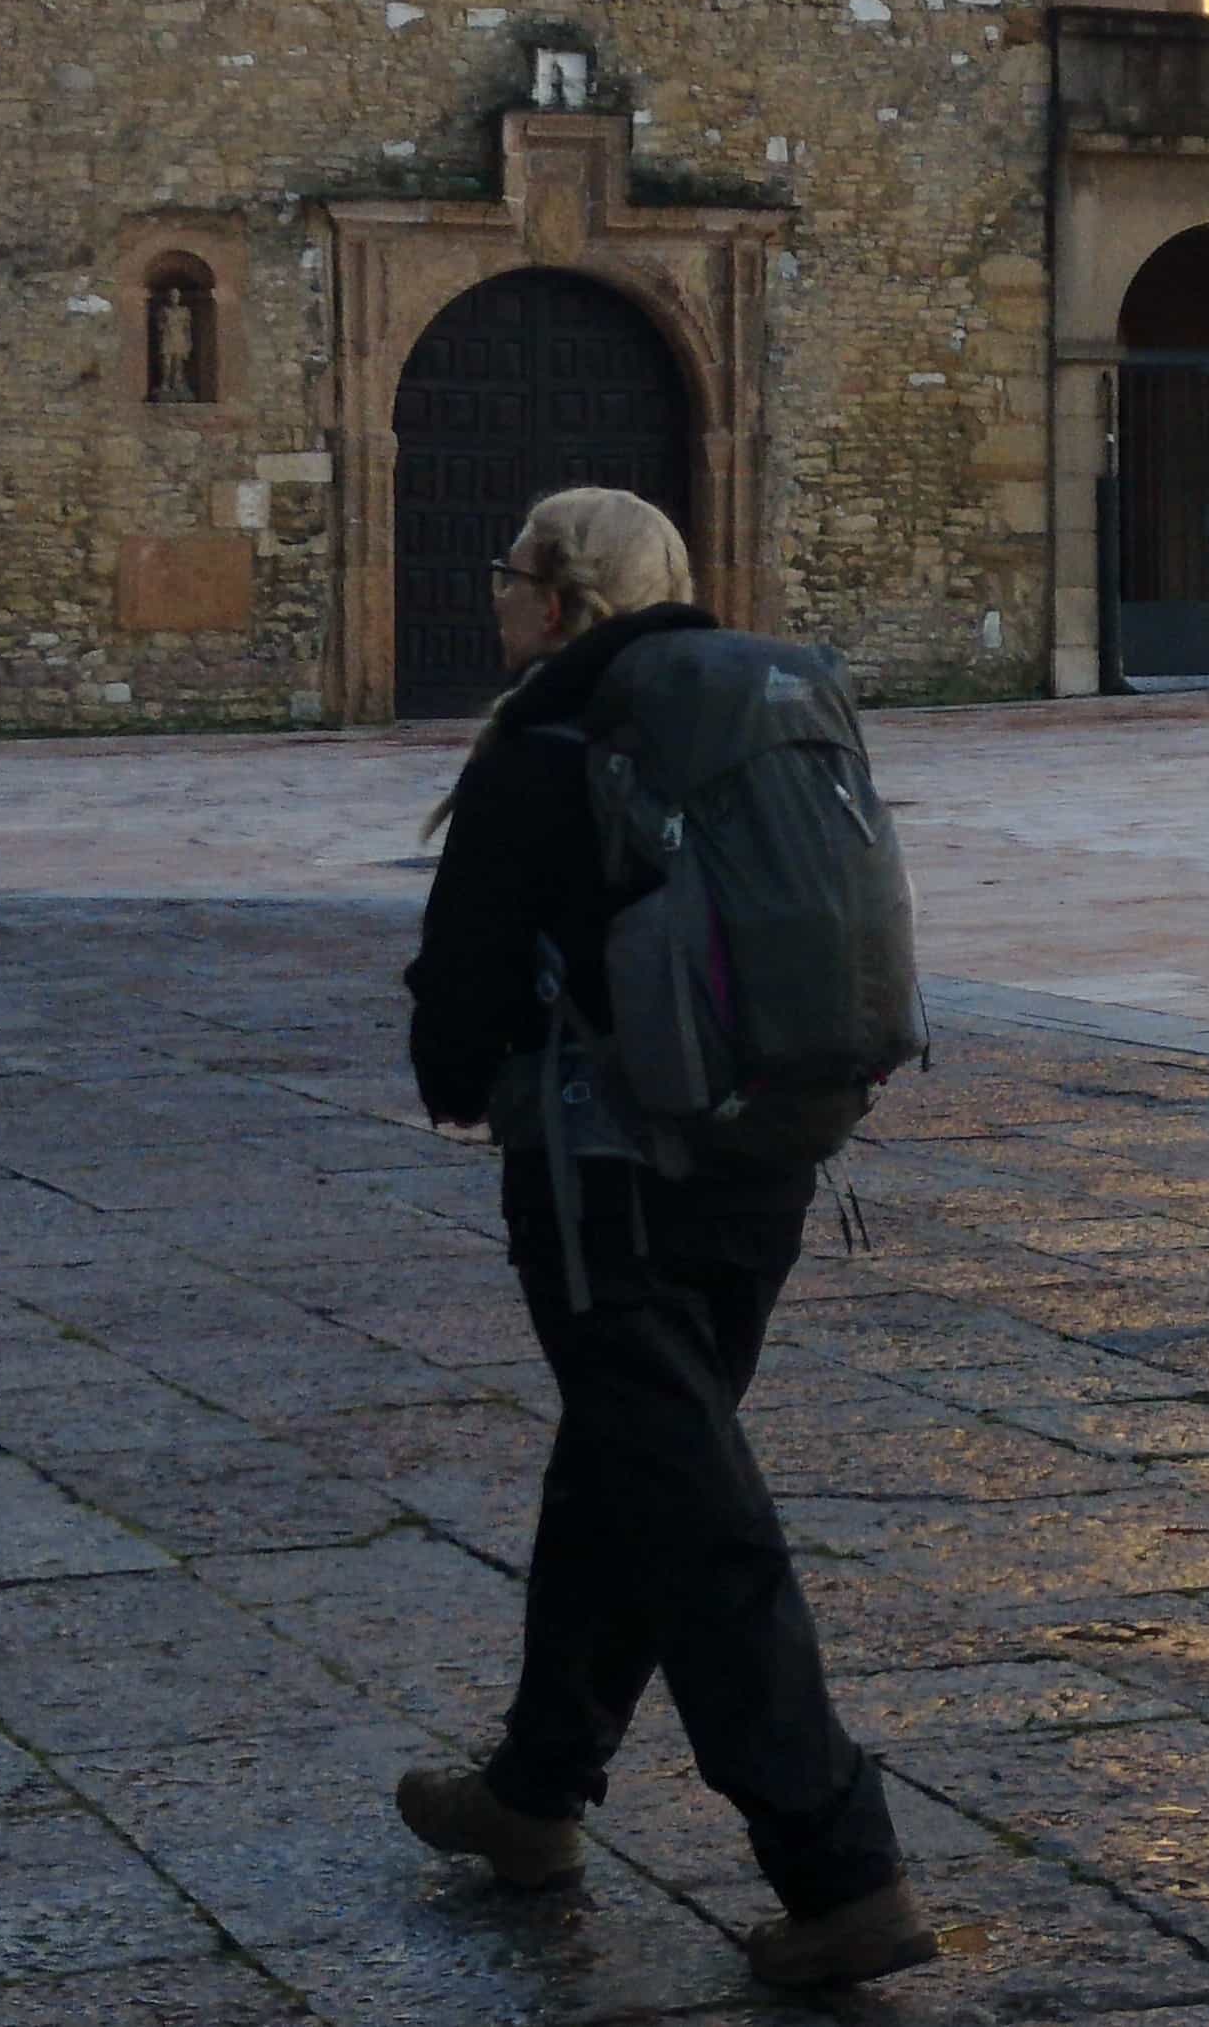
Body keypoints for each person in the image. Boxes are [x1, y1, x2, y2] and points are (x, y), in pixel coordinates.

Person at [389, 485, 929, 1994]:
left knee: (692, 1509)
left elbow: (455, 1021)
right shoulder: (759, 705)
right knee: (634, 1461)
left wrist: (473, 1064)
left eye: (507, 574)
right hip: (767, 1155)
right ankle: (535, 1790)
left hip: (601, 1174)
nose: (495, 597)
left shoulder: (544, 739)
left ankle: (840, 1864)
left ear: (555, 601)